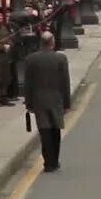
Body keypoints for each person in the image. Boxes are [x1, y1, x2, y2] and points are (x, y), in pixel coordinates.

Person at [23, 32, 72, 172]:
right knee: (55, 130)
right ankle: (55, 160)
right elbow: (65, 82)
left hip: (39, 100)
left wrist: (29, 103)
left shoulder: (31, 59)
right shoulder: (61, 58)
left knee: (44, 131)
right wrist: (67, 102)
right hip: (56, 99)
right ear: (52, 42)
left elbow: (28, 84)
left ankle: (48, 162)